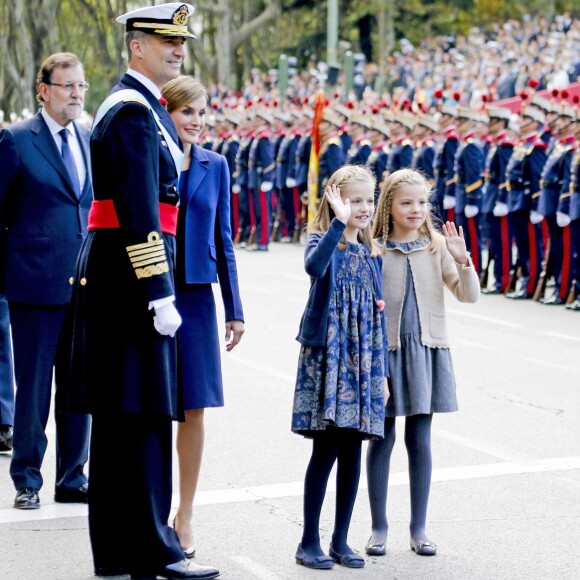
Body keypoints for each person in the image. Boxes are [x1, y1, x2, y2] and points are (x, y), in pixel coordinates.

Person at [66, 4, 218, 579]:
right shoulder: (132, 112)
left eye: (181, 42)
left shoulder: (142, 108)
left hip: (117, 279)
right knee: (146, 419)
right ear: (137, 46)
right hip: (131, 284)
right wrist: (158, 290)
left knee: (122, 421)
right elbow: (135, 212)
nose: (177, 50)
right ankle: (156, 550)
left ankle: (116, 552)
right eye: (165, 41)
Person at [366, 168, 480, 558]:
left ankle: (419, 527)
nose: (416, 209)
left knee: (420, 439)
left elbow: (468, 296)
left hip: (427, 350)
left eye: (421, 203)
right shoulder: (375, 248)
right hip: (386, 353)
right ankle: (379, 526)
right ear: (390, 207)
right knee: (380, 438)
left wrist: (463, 262)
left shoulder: (435, 246)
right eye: (406, 203)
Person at [0, 52, 91, 508]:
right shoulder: (16, 139)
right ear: (44, 90)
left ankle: (72, 477)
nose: (76, 94)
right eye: (67, 86)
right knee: (33, 389)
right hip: (34, 284)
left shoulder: (90, 138)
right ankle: (27, 480)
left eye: (81, 86)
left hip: (85, 283)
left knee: (79, 388)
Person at [161, 75, 245, 558]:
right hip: (151, 290)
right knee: (152, 403)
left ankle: (185, 514)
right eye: (186, 112)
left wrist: (234, 309)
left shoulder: (217, 165)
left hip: (195, 296)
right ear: (168, 113)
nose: (196, 121)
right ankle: (150, 510)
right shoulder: (154, 156)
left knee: (193, 408)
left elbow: (225, 238)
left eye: (201, 112)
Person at [291, 165, 388, 570]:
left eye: (369, 200)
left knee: (352, 450)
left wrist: (381, 373)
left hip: (362, 362)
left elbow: (379, 316)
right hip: (329, 358)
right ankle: (308, 541)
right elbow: (315, 268)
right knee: (326, 449)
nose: (364, 208)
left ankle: (340, 539)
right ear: (335, 200)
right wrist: (338, 224)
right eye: (354, 200)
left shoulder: (370, 254)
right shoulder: (323, 240)